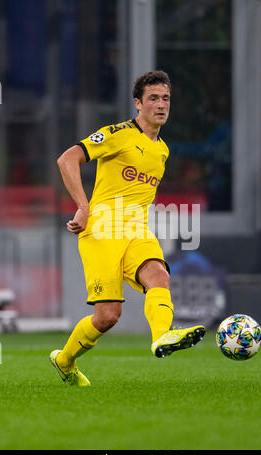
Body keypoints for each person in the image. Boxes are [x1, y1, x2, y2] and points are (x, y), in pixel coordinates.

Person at [50, 70, 205, 386]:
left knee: (158, 274)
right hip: (102, 231)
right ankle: (64, 360)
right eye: (153, 99)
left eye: (166, 99)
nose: (161, 105)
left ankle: (162, 336)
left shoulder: (163, 150)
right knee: (108, 316)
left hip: (137, 231)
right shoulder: (117, 134)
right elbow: (66, 159)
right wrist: (83, 206)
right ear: (138, 103)